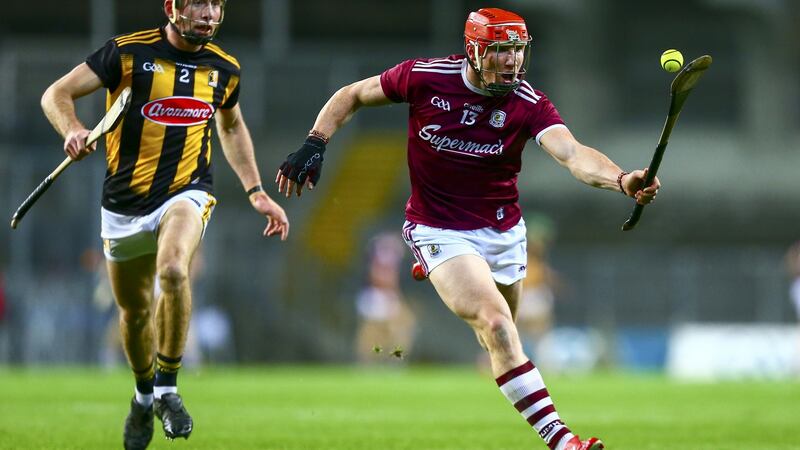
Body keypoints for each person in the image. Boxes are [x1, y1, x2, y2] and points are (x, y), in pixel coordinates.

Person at [277, 7, 659, 450]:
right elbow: (353, 94)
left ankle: (445, 275)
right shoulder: (425, 78)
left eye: (518, 50)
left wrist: (621, 180)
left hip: (504, 234)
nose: (512, 61)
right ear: (474, 51)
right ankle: (561, 440)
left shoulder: (528, 102)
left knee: (501, 339)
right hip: (439, 229)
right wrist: (316, 141)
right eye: (501, 51)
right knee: (496, 325)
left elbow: (572, 154)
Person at [40, 0, 290, 448]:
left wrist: (256, 191)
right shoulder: (127, 53)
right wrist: (72, 129)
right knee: (134, 314)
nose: (210, 14)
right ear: (172, 7)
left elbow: (232, 127)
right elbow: (55, 94)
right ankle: (142, 398)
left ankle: (168, 389)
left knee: (174, 270)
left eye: (216, 5)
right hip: (123, 205)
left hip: (187, 193)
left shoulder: (225, 69)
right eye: (199, 3)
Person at [354, 232, 416, 363]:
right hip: (375, 295)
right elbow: (378, 277)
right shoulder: (380, 259)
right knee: (373, 332)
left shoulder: (389, 259)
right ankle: (369, 361)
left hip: (387, 296)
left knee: (402, 327)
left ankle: (393, 360)